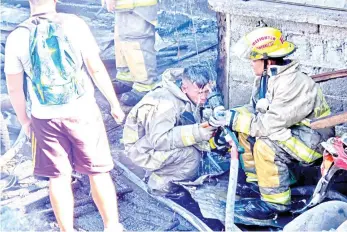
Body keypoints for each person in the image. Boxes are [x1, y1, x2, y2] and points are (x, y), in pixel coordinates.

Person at [5, 0, 125, 231]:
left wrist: (25, 121)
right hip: (83, 112)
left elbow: (14, 88)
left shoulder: (16, 37)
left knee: (58, 178)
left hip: (45, 118)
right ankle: (111, 226)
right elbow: (96, 68)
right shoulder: (75, 24)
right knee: (98, 171)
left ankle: (66, 229)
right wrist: (113, 103)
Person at [210, 27, 335, 220]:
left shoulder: (293, 83)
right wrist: (229, 115)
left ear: (268, 60)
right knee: (241, 120)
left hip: (312, 141)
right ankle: (258, 182)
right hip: (289, 130)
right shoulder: (267, 78)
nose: (251, 64)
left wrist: (234, 120)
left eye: (255, 59)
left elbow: (268, 125)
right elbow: (254, 110)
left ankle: (276, 202)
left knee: (264, 146)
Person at [122, 65, 216, 196]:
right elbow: (159, 140)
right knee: (192, 157)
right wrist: (197, 133)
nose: (205, 96)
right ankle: (159, 185)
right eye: (200, 93)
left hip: (148, 142)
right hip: (141, 150)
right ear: (184, 88)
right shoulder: (165, 104)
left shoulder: (184, 94)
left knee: (198, 150)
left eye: (207, 91)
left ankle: (164, 173)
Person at [102, 0, 158, 106]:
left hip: (136, 6)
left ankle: (145, 86)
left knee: (136, 42)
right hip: (125, 5)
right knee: (122, 40)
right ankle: (126, 77)